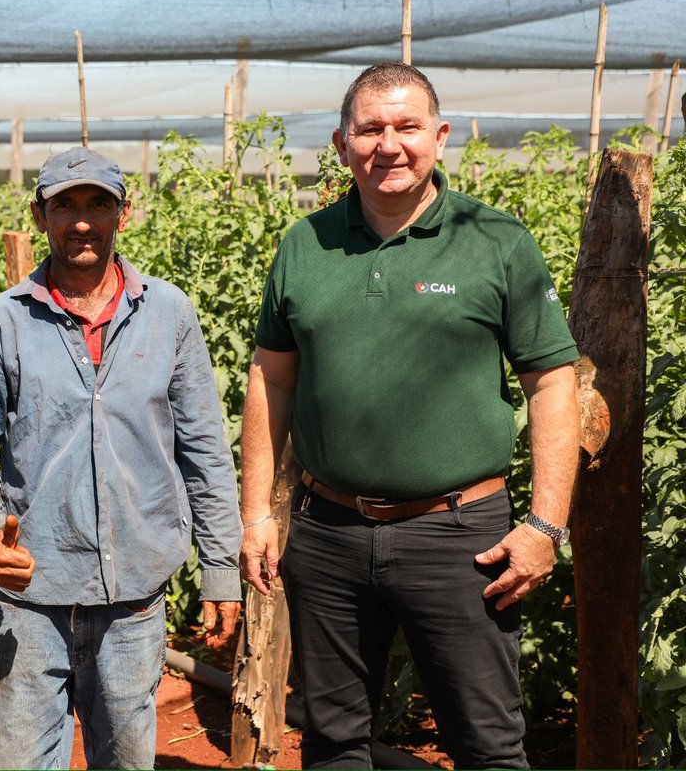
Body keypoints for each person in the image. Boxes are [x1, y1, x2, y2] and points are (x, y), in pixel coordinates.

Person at [240, 63, 580, 769]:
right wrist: (257, 516)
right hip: (328, 532)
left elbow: (552, 383)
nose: (388, 145)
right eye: (369, 129)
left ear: (440, 136)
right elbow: (270, 379)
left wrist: (546, 524)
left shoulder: (495, 241)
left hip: (460, 536)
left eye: (407, 127)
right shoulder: (305, 244)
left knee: (486, 742)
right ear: (341, 144)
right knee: (334, 739)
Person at [0, 146, 243, 769]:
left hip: (135, 595)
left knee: (127, 761)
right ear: (40, 215)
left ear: (122, 215)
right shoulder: (1, 322)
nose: (82, 220)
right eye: (65, 206)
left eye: (97, 204)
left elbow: (206, 452)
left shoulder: (168, 314)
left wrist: (221, 571)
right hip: (31, 595)